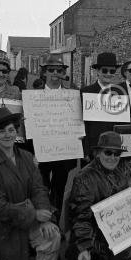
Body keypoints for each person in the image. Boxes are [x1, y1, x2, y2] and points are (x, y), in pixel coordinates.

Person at [0, 107, 60, 260]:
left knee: (52, 234)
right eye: (1, 131)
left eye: (11, 130)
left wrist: (44, 216)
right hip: (1, 221)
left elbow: (39, 188)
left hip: (31, 213)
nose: (7, 135)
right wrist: (34, 214)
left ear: (17, 131)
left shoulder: (27, 156)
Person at [66, 131, 131, 260]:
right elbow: (80, 217)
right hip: (95, 231)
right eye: (108, 152)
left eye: (117, 153)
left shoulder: (119, 172)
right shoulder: (84, 178)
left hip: (115, 227)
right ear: (98, 153)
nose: (113, 157)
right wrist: (84, 246)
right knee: (121, 253)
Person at [33, 54, 78, 211]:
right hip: (41, 151)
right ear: (44, 72)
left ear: (63, 74)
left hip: (63, 151)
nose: (55, 73)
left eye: (59, 70)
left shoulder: (72, 96)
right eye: (51, 70)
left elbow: (77, 123)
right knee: (41, 189)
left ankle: (57, 223)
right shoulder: (33, 95)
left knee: (59, 190)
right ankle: (44, 223)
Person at [80, 52, 122, 159]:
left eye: (112, 71)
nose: (108, 73)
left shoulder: (120, 93)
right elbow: (81, 124)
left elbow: (122, 122)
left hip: (114, 148)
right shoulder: (85, 92)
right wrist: (85, 150)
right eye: (104, 70)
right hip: (93, 148)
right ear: (98, 71)